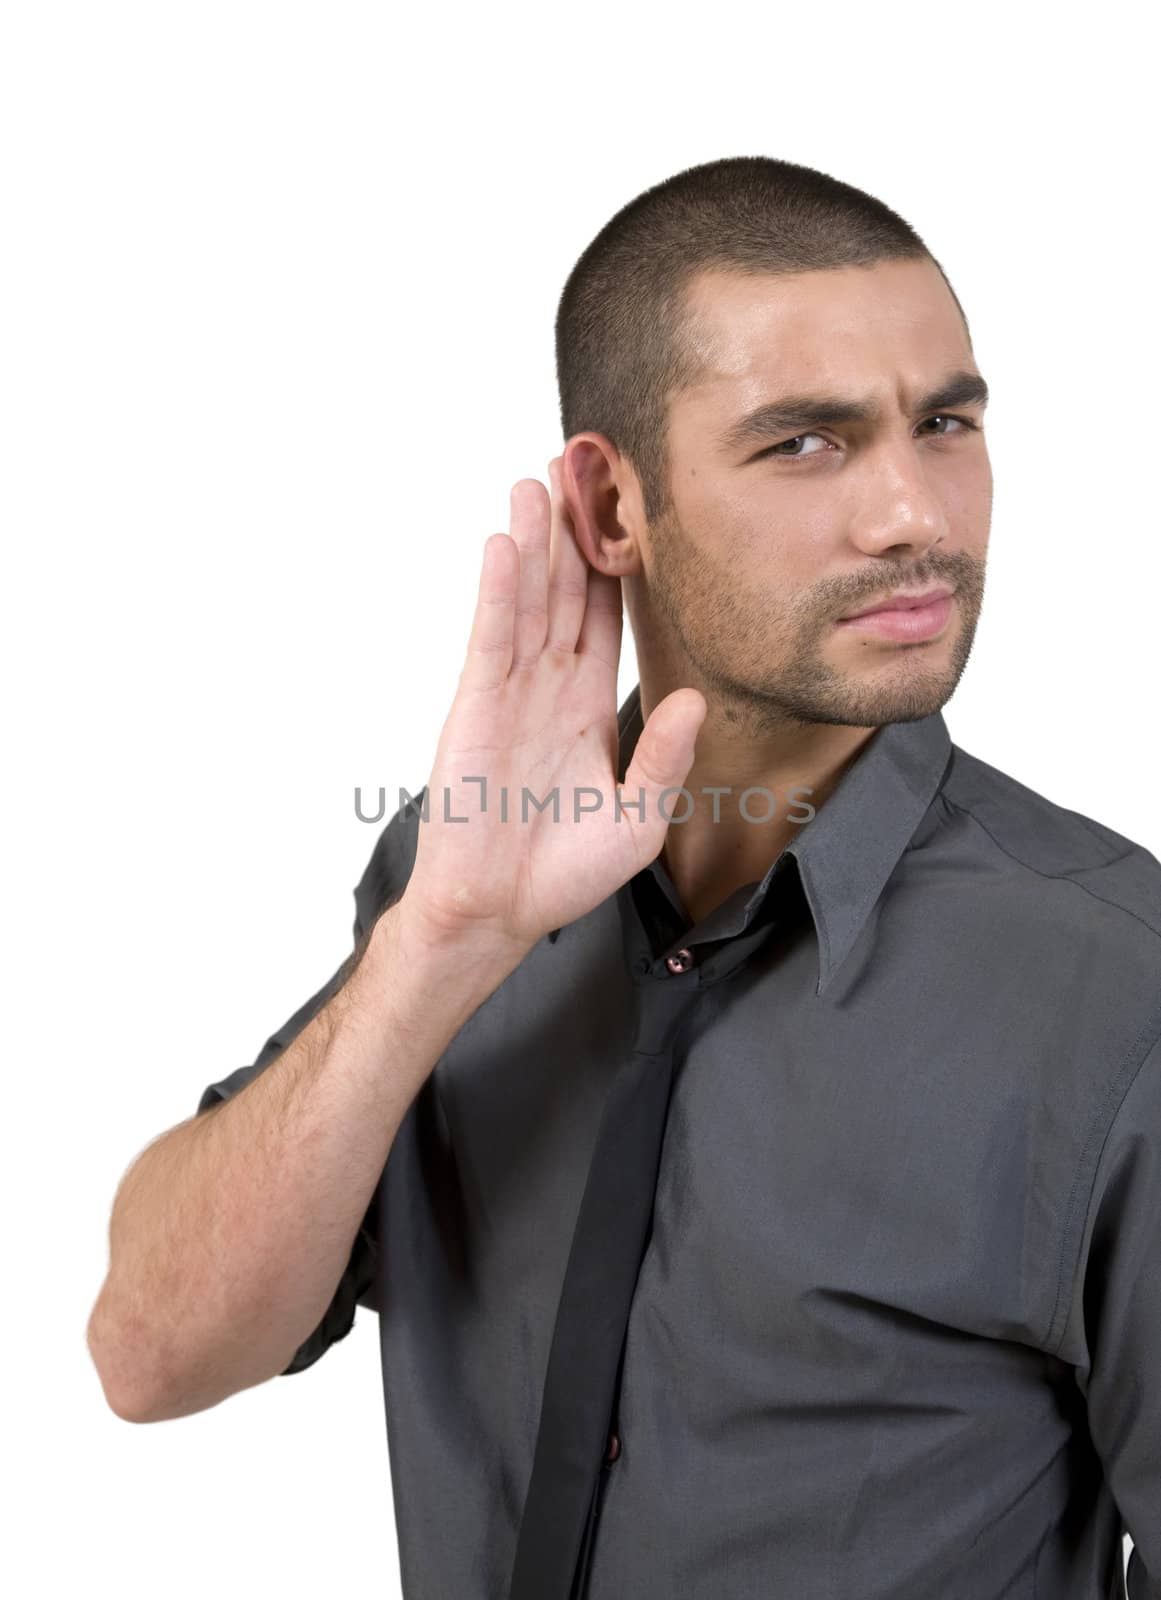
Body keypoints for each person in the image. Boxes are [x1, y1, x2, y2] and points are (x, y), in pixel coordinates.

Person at [87, 155, 1160, 1599]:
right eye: (806, 443)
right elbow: (152, 1357)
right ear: (608, 508)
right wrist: (444, 940)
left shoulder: (1115, 988)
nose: (915, 514)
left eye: (945, 422)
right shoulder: (448, 881)